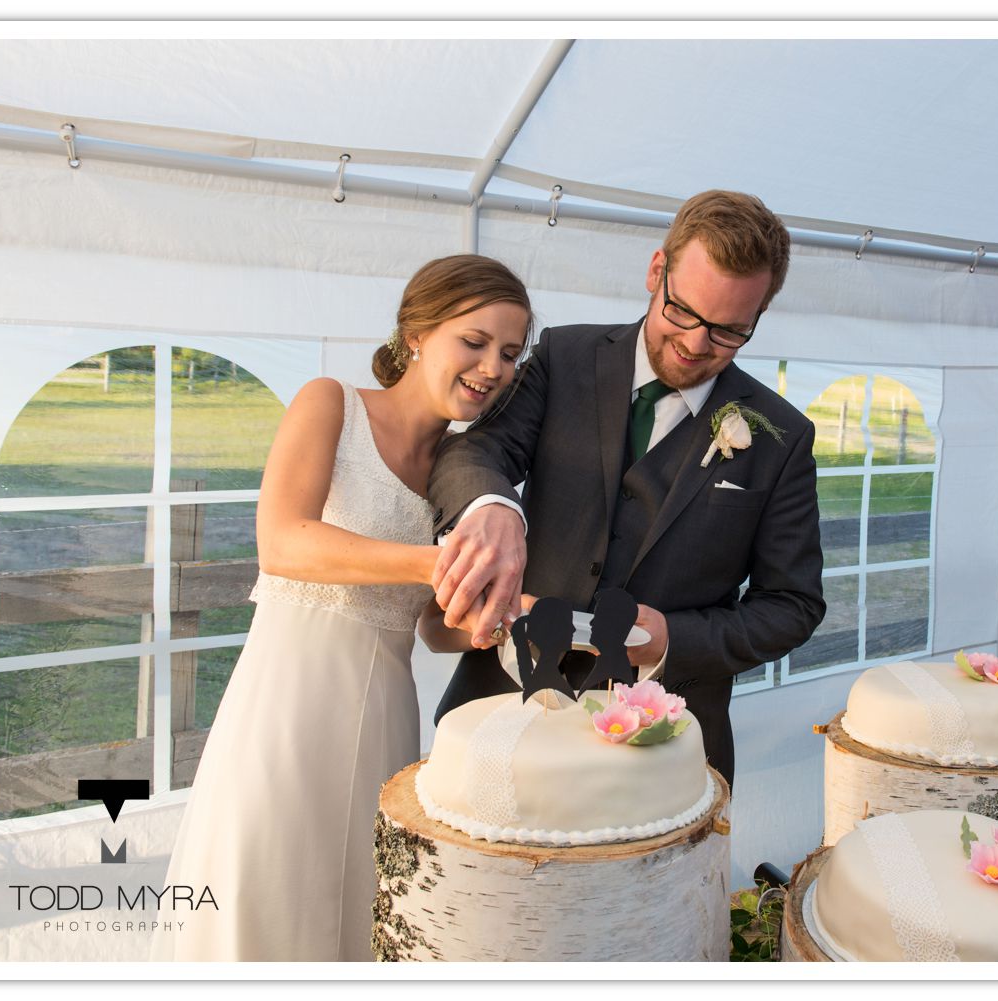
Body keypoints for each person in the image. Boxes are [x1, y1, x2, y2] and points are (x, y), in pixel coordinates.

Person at [151, 255, 532, 962]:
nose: (494, 368)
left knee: (360, 906)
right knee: (259, 888)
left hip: (384, 710)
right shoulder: (331, 403)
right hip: (286, 704)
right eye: (475, 342)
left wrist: (487, 609)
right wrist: (438, 562)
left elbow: (429, 627)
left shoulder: (463, 470)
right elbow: (284, 541)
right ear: (418, 333)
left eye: (510, 353)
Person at [428, 190, 825, 788]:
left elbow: (793, 605)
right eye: (684, 313)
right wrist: (492, 507)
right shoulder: (564, 356)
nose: (696, 345)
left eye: (729, 332)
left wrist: (675, 640)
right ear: (656, 271)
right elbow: (475, 450)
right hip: (503, 708)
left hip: (666, 746)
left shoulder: (782, 436)